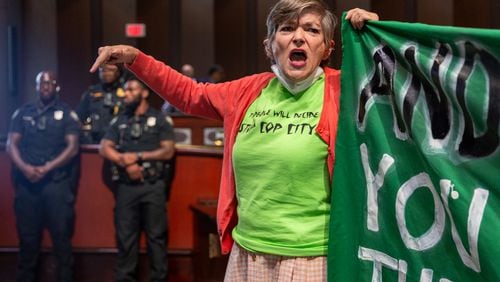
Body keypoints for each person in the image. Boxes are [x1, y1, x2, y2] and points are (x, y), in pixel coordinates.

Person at [90, 1, 378, 280]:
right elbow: (189, 94)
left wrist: (378, 43)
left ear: (327, 48)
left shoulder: (343, 90)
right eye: (287, 28)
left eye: (312, 30)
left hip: (313, 257)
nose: (299, 38)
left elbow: (395, 93)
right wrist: (134, 58)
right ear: (269, 45)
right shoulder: (248, 91)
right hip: (247, 253)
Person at [6, 71, 80, 282]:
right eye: (42, 83)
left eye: (49, 83)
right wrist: (25, 168)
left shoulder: (66, 113)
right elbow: (12, 145)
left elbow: (72, 147)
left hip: (56, 185)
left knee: (62, 242)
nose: (46, 86)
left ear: (56, 87)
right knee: (28, 242)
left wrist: (47, 168)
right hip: (28, 186)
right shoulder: (22, 112)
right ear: (36, 87)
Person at [99, 77, 175, 281]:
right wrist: (125, 161)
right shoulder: (120, 120)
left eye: (132, 90)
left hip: (153, 186)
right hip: (126, 188)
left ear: (144, 93)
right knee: (126, 239)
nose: (126, 94)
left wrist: (139, 157)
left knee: (156, 238)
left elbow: (168, 151)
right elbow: (104, 147)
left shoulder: (160, 119)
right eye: (125, 90)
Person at [77, 64, 125, 144]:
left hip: (119, 142)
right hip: (95, 141)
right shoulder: (92, 92)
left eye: (110, 70)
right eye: (103, 70)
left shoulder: (126, 92)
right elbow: (78, 117)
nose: (106, 73)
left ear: (118, 72)